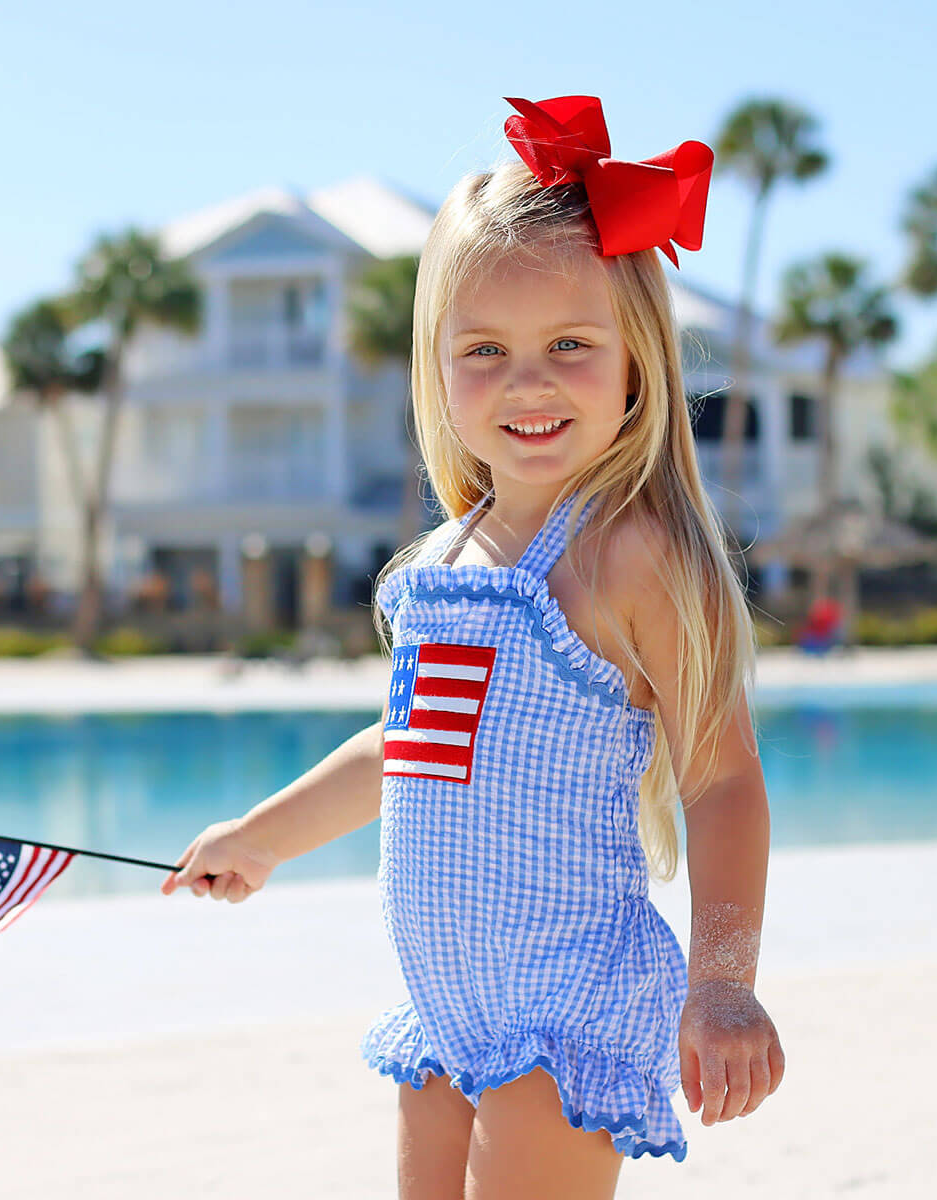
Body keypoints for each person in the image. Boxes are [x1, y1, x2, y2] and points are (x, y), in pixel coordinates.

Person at [160, 93, 785, 1199]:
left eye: (570, 347)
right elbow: (407, 748)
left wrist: (722, 983)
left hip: (560, 997)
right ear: (436, 369)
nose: (527, 381)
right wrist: (262, 838)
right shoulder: (440, 567)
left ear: (638, 360)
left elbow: (724, 779)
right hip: (447, 996)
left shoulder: (629, 556)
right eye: (484, 349)